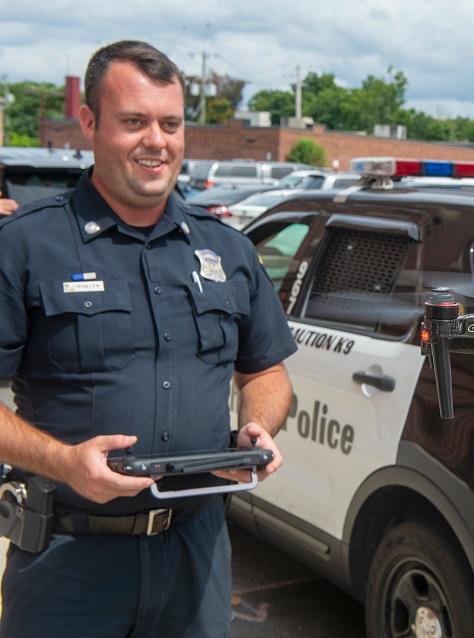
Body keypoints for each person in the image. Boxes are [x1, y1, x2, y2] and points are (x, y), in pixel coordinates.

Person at [0, 41, 296, 637]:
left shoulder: (227, 248)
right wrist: (62, 462)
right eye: (134, 122)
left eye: (169, 123)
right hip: (70, 561)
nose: (156, 141)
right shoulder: (26, 245)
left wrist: (258, 426)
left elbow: (265, 371)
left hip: (198, 555)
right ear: (89, 123)